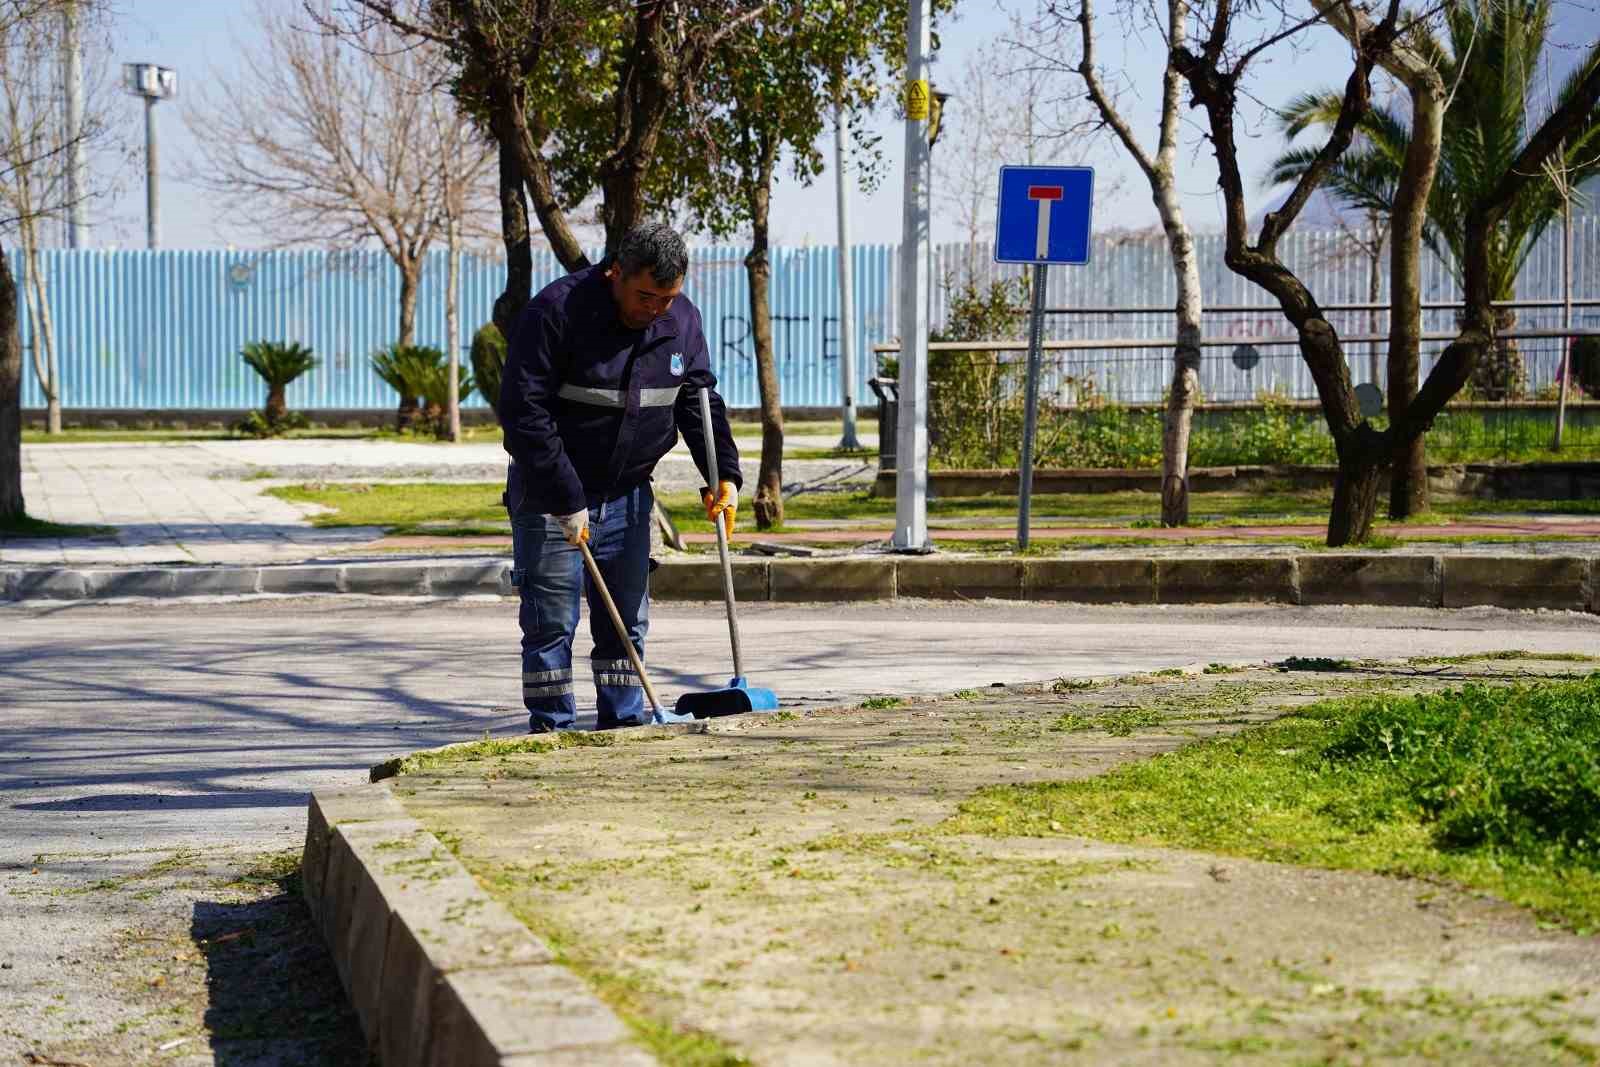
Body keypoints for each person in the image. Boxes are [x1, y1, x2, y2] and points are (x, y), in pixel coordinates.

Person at [499, 222, 743, 733]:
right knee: (551, 624)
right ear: (615, 272)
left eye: (666, 298)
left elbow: (699, 401)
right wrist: (565, 500)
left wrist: (725, 474)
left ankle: (624, 727)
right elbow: (525, 417)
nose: (654, 309)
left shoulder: (682, 321)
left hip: (629, 494)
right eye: (645, 296)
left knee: (625, 624)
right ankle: (552, 734)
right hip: (551, 495)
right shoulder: (555, 313)